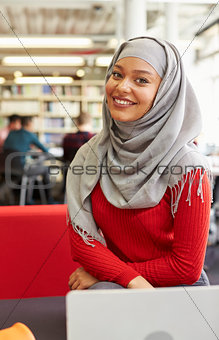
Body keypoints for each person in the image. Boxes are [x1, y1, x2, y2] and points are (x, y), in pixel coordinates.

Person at [67, 37, 211, 291]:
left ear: (165, 92)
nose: (122, 87)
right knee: (101, 294)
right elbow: (82, 240)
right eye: (117, 74)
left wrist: (113, 275)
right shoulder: (89, 156)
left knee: (102, 292)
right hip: (120, 280)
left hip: (177, 285)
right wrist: (129, 279)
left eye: (141, 80)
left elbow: (186, 267)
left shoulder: (189, 165)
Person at [3, 116, 54, 204]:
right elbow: (46, 151)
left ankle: (28, 199)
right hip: (22, 169)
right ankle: (49, 199)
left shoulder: (11, 133)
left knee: (32, 172)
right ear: (30, 124)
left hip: (7, 168)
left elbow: (6, 149)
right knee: (45, 169)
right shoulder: (30, 135)